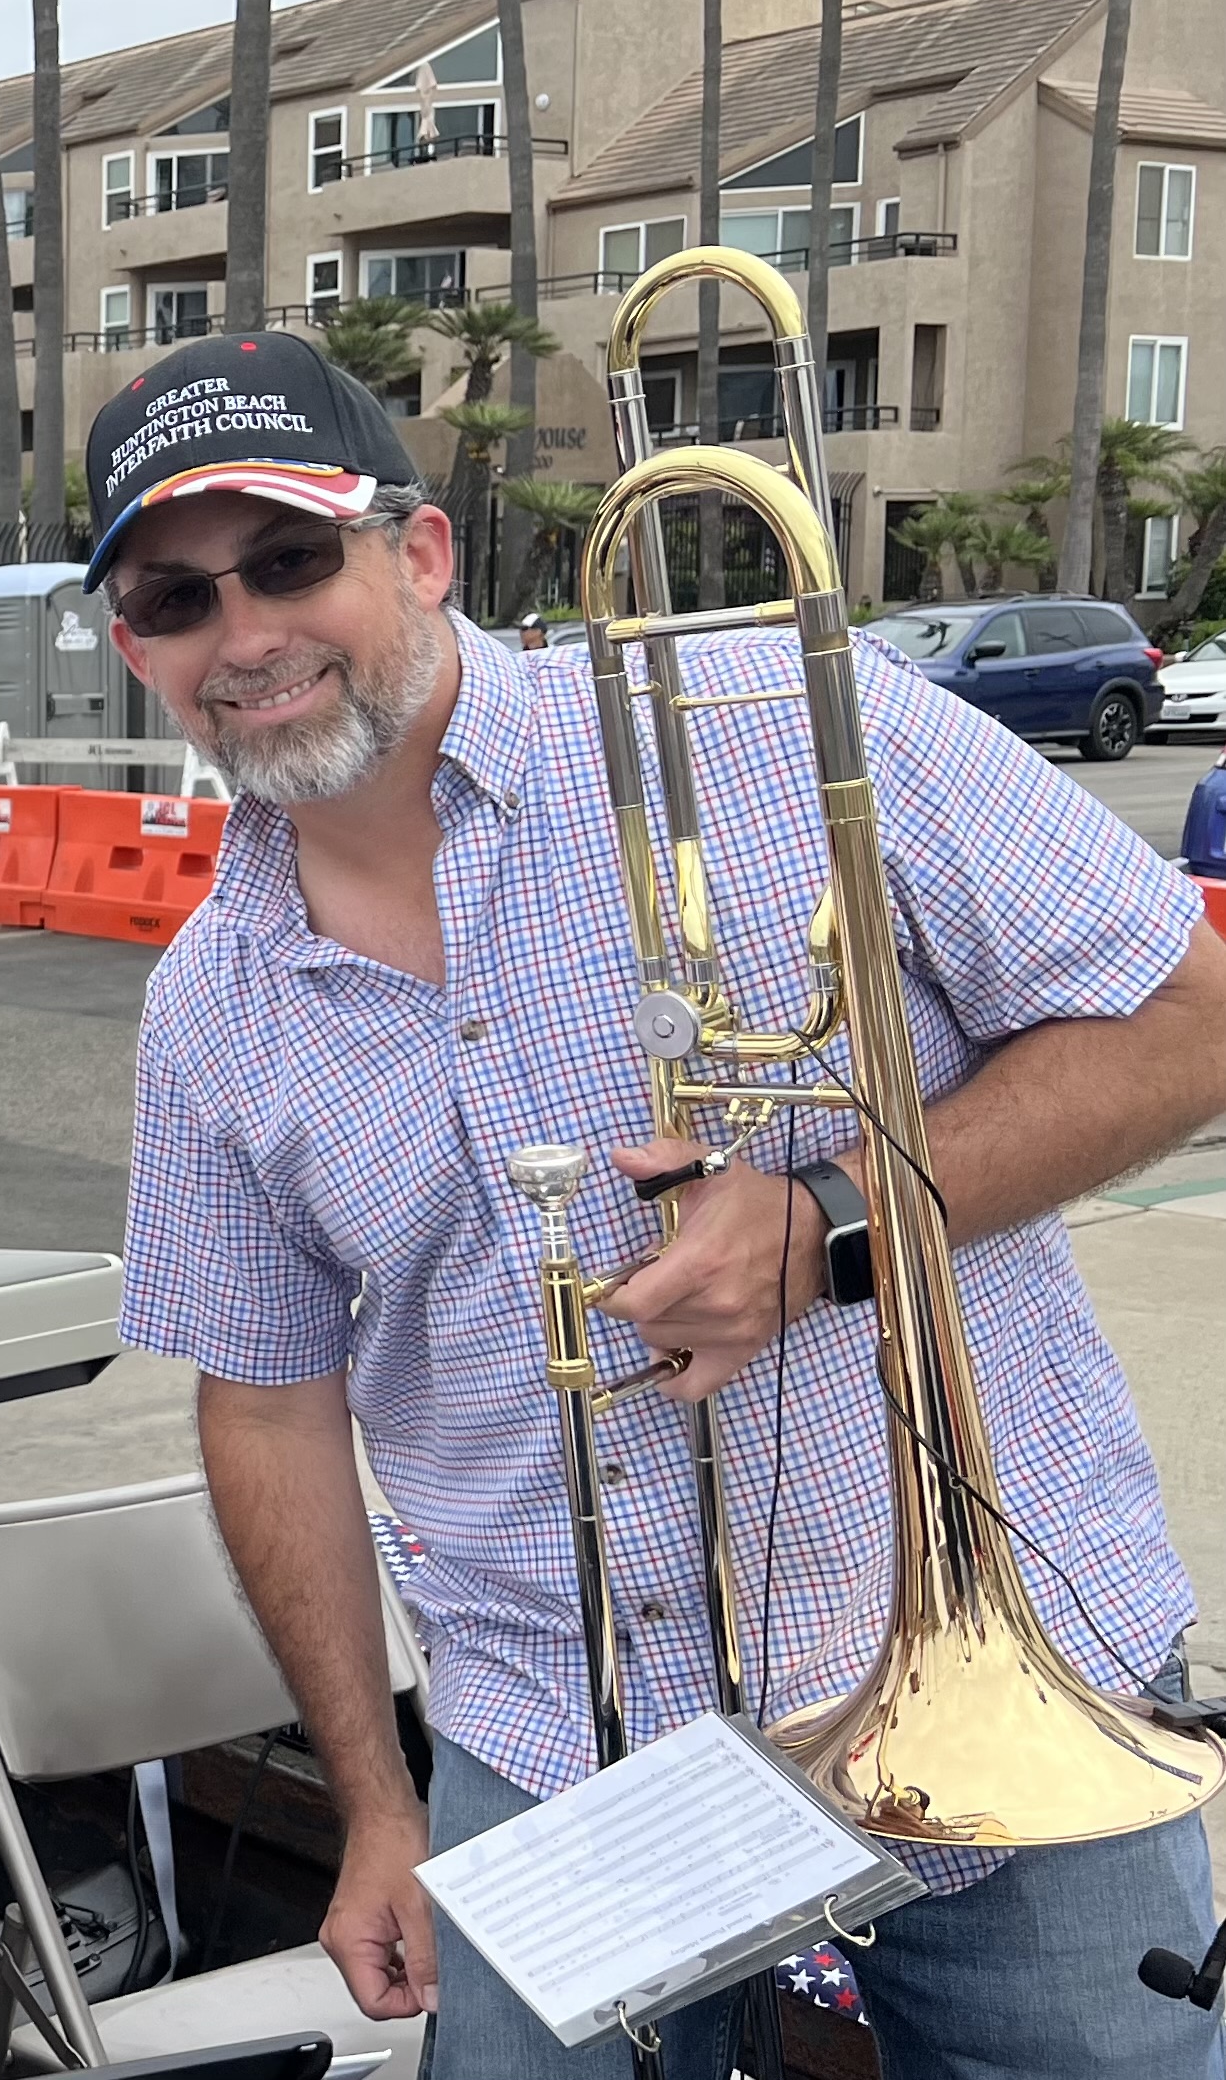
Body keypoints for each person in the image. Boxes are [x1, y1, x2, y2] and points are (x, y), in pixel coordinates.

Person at [89, 330, 1226, 2077]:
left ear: (422, 550)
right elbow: (262, 1401)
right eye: (176, 597)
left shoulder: (783, 725)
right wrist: (377, 1799)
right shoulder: (209, 1004)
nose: (243, 635)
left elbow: (1185, 1017)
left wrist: (828, 1218)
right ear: (132, 642)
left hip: (1001, 1658)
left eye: (292, 558)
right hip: (561, 1731)